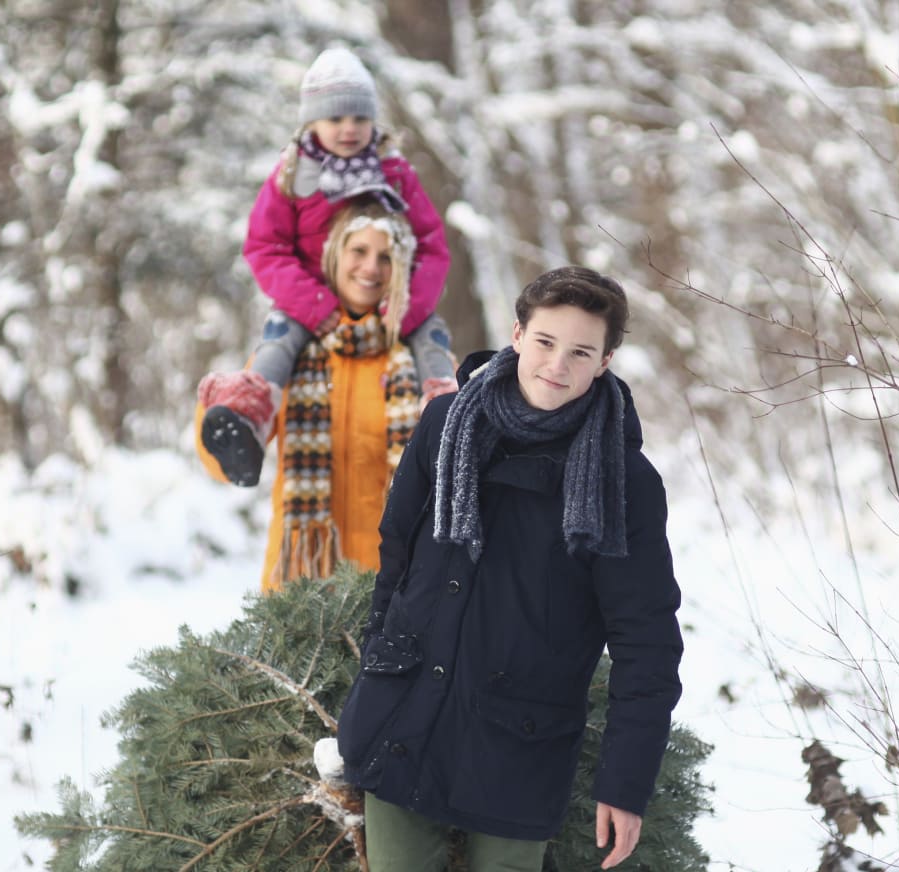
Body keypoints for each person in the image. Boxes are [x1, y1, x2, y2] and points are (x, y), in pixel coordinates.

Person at [334, 267, 685, 870]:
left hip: (517, 747)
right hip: (405, 721)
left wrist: (625, 785)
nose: (557, 365)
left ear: (604, 362)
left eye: (581, 352)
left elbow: (646, 639)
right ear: (518, 334)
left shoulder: (624, 481)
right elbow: (398, 556)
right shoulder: (446, 425)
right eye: (546, 342)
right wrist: (380, 667)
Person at [199, 46, 456, 488]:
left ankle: (445, 419)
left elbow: (432, 245)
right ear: (311, 121)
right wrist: (315, 305)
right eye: (335, 118)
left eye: (359, 118)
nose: (349, 129)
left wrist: (406, 307)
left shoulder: (391, 172)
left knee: (432, 340)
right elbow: (265, 246)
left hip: (391, 307)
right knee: (277, 345)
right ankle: (248, 419)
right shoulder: (293, 175)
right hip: (309, 306)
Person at [196, 197, 429, 592]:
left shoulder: (421, 363)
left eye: (386, 257)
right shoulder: (283, 357)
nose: (371, 267)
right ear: (334, 257)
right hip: (300, 591)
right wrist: (220, 418)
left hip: (391, 588)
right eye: (359, 251)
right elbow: (227, 466)